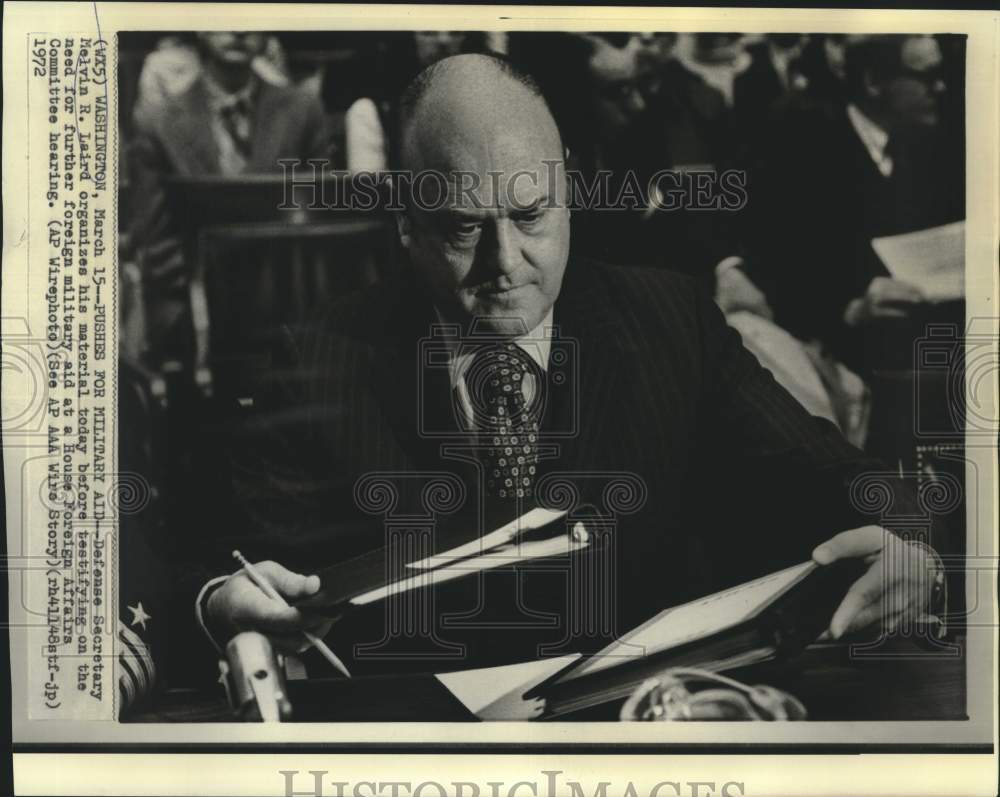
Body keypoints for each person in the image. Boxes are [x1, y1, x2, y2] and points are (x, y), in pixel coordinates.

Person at [191, 54, 940, 684]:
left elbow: (834, 477)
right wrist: (227, 603)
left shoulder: (669, 318)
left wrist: (910, 546)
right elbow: (222, 573)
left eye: (531, 216)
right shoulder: (317, 359)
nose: (505, 264)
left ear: (571, 196)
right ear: (406, 226)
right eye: (461, 227)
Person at [745, 34, 963, 372]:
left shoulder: (930, 144)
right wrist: (850, 309)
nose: (939, 88)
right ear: (874, 81)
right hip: (843, 353)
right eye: (925, 77)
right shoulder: (803, 150)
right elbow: (780, 265)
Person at [128, 32, 332, 364]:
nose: (238, 29)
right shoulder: (158, 122)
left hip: (287, 312)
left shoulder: (302, 111)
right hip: (194, 320)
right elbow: (157, 245)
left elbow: (318, 230)